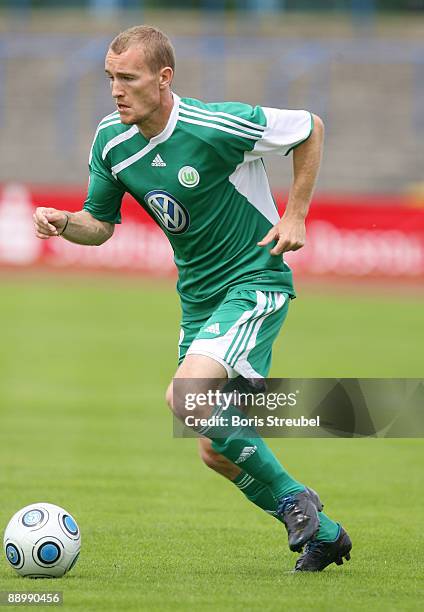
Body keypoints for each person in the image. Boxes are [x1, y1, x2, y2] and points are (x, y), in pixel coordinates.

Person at [33, 25, 352, 572]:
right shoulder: (112, 141)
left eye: (128, 78)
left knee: (185, 397)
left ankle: (296, 499)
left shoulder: (211, 125)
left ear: (163, 78)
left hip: (253, 282)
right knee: (213, 448)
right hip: (199, 302)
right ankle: (324, 533)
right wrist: (66, 224)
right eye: (110, 78)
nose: (116, 89)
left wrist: (295, 213)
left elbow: (310, 128)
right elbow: (100, 225)